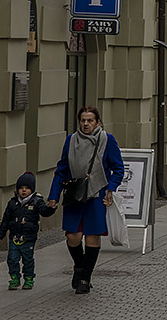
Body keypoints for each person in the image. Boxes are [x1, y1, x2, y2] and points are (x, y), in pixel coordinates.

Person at [46, 105, 124, 294]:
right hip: (74, 194)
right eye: (83, 120)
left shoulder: (107, 140)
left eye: (90, 120)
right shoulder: (71, 141)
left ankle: (85, 278)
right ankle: (79, 266)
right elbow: (61, 169)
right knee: (73, 236)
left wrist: (111, 189)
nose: (86, 123)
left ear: (97, 122)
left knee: (91, 237)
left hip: (96, 196)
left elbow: (118, 168)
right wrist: (54, 196)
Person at [0, 171, 55, 290]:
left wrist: (51, 208)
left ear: (32, 189)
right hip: (14, 236)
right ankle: (14, 278)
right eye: (21, 188)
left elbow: (44, 212)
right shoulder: (13, 203)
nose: (24, 191)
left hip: (28, 237)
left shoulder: (37, 201)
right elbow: (6, 220)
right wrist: (0, 234)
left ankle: (28, 278)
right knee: (12, 258)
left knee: (27, 259)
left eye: (27, 188)